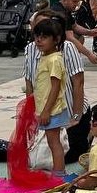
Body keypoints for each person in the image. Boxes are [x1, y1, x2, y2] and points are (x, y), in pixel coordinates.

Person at [23, 10, 92, 163]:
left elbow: (78, 82)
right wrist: (32, 113)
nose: (39, 38)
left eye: (45, 32)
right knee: (38, 154)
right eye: (37, 32)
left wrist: (76, 115)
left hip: (66, 110)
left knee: (66, 152)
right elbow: (29, 82)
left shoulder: (65, 49)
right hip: (44, 111)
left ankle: (84, 135)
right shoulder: (30, 49)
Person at [25, 17, 69, 173]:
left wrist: (46, 111)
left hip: (53, 110)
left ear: (56, 39)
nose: (39, 40)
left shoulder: (55, 60)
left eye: (44, 37)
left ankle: (59, 174)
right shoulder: (46, 57)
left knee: (54, 142)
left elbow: (55, 87)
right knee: (52, 141)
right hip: (47, 109)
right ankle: (59, 172)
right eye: (37, 37)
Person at [56, 0, 97, 64]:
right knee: (74, 39)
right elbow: (70, 38)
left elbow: (75, 27)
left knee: (80, 37)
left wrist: (90, 32)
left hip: (56, 41)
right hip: (51, 44)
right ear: (64, 0)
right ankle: (70, 61)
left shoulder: (64, 9)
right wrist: (89, 54)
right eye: (74, 1)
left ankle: (71, 60)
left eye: (77, 2)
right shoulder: (61, 13)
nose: (76, 4)